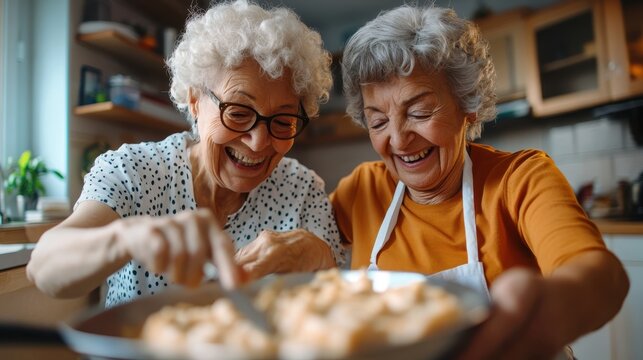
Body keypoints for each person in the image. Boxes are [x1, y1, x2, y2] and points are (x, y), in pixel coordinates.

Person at [331, 5, 629, 359]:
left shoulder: (520, 180)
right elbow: (308, 246)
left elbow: (603, 277)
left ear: (466, 106)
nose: (397, 140)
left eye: (420, 112)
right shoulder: (362, 191)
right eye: (377, 121)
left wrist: (546, 316)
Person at [28, 0, 345, 307]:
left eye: (282, 121)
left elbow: (345, 306)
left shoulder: (302, 190)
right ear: (195, 100)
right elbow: (44, 269)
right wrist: (125, 238)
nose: (259, 142)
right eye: (237, 112)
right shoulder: (133, 171)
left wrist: (320, 256)